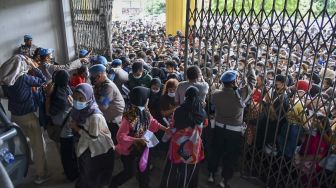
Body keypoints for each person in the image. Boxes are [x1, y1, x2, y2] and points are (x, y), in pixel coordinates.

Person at [2, 57, 50, 184]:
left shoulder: (6, 81)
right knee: (38, 145)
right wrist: (34, 67)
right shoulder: (23, 78)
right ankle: (41, 174)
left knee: (23, 142)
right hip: (28, 116)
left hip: (14, 118)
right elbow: (43, 81)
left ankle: (28, 161)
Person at [110, 86, 168, 188]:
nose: (148, 100)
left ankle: (144, 185)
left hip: (143, 145)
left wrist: (165, 128)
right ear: (143, 100)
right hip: (129, 149)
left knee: (144, 169)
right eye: (147, 98)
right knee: (129, 172)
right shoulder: (130, 115)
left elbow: (152, 121)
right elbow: (120, 136)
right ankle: (113, 184)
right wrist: (136, 140)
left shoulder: (144, 110)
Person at [69, 83, 115, 188]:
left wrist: (76, 128)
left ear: (89, 98)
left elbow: (93, 137)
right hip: (89, 147)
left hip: (99, 150)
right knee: (88, 176)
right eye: (75, 98)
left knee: (93, 178)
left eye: (81, 98)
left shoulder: (95, 116)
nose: (77, 101)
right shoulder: (82, 110)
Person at [160, 86, 207, 188]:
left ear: (186, 96)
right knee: (189, 169)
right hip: (193, 145)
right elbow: (205, 125)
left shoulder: (178, 110)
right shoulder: (202, 112)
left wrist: (164, 139)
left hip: (177, 144)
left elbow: (172, 127)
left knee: (174, 168)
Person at [208, 70, 245, 188]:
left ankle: (211, 174)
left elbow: (212, 108)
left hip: (219, 127)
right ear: (234, 82)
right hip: (234, 131)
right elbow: (251, 84)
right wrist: (250, 70)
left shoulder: (216, 94)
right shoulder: (240, 94)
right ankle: (224, 180)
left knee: (215, 152)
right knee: (230, 156)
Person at [45, 70, 78, 181]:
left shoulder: (56, 93)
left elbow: (49, 112)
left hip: (64, 129)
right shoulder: (66, 90)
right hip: (67, 129)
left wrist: (48, 97)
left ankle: (71, 174)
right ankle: (73, 173)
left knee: (67, 155)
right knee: (70, 153)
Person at [89, 64, 125, 143]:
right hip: (109, 117)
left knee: (114, 141)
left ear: (99, 76)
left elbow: (103, 106)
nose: (91, 80)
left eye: (92, 77)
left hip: (114, 120)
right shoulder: (100, 84)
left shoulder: (108, 87)